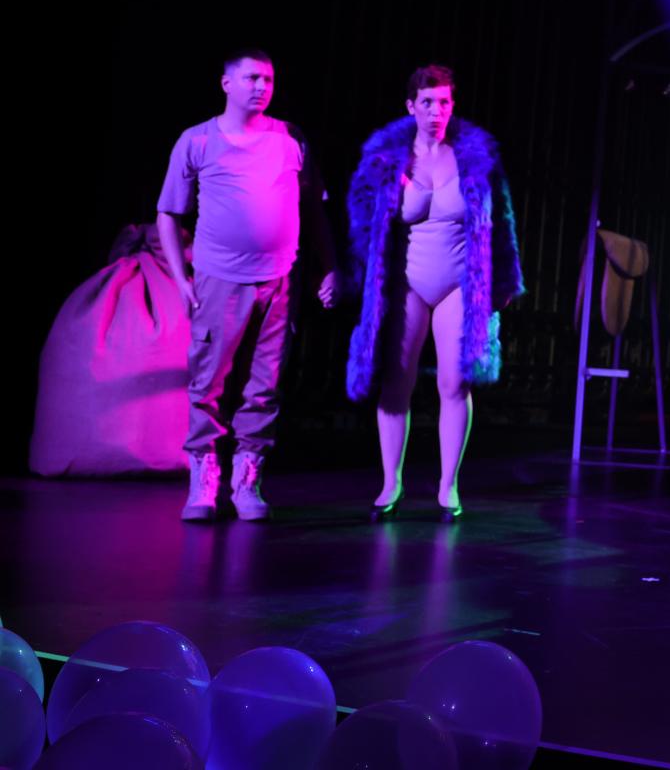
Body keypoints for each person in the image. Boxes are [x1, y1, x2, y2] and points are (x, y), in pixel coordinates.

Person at [157, 50, 337, 521]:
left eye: (269, 80)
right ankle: (204, 477)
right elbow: (169, 213)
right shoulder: (198, 140)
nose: (262, 87)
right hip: (220, 278)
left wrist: (328, 267)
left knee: (265, 384)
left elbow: (314, 209)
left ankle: (247, 477)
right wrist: (180, 278)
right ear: (226, 84)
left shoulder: (290, 138)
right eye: (252, 78)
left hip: (279, 279)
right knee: (209, 381)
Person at [346, 64, 523, 521]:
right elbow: (363, 229)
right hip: (408, 283)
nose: (436, 111)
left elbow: (502, 221)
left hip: (459, 283)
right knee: (396, 382)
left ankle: (448, 486)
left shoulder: (475, 157)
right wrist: (354, 280)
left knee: (454, 382)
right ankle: (391, 483)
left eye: (443, 102)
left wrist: (505, 281)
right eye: (427, 102)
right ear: (411, 106)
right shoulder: (387, 160)